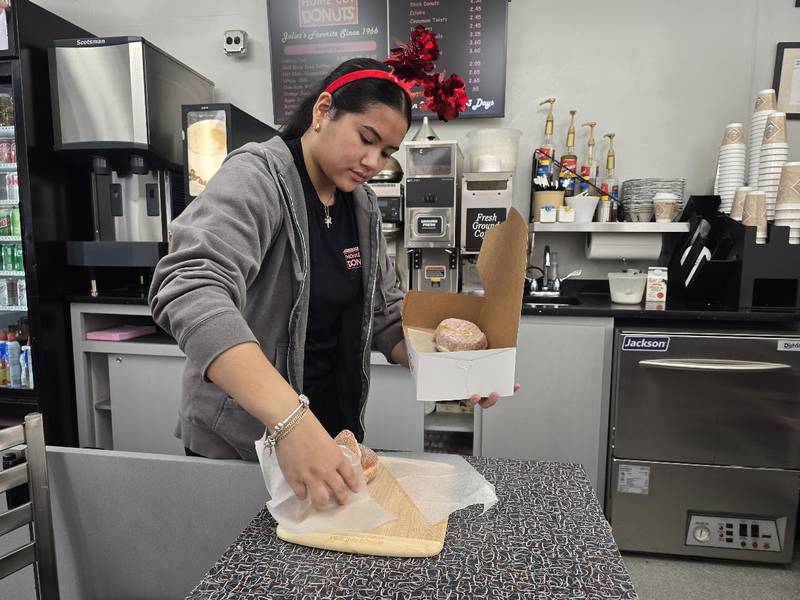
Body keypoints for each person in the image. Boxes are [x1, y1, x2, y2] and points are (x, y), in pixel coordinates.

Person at [149, 57, 512, 511]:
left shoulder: (360, 206)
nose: (373, 162)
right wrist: (291, 423)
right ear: (323, 111)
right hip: (246, 447)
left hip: (329, 443)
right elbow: (188, 285)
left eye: (386, 153)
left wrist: (448, 370)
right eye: (366, 139)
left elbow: (382, 315)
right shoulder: (258, 177)